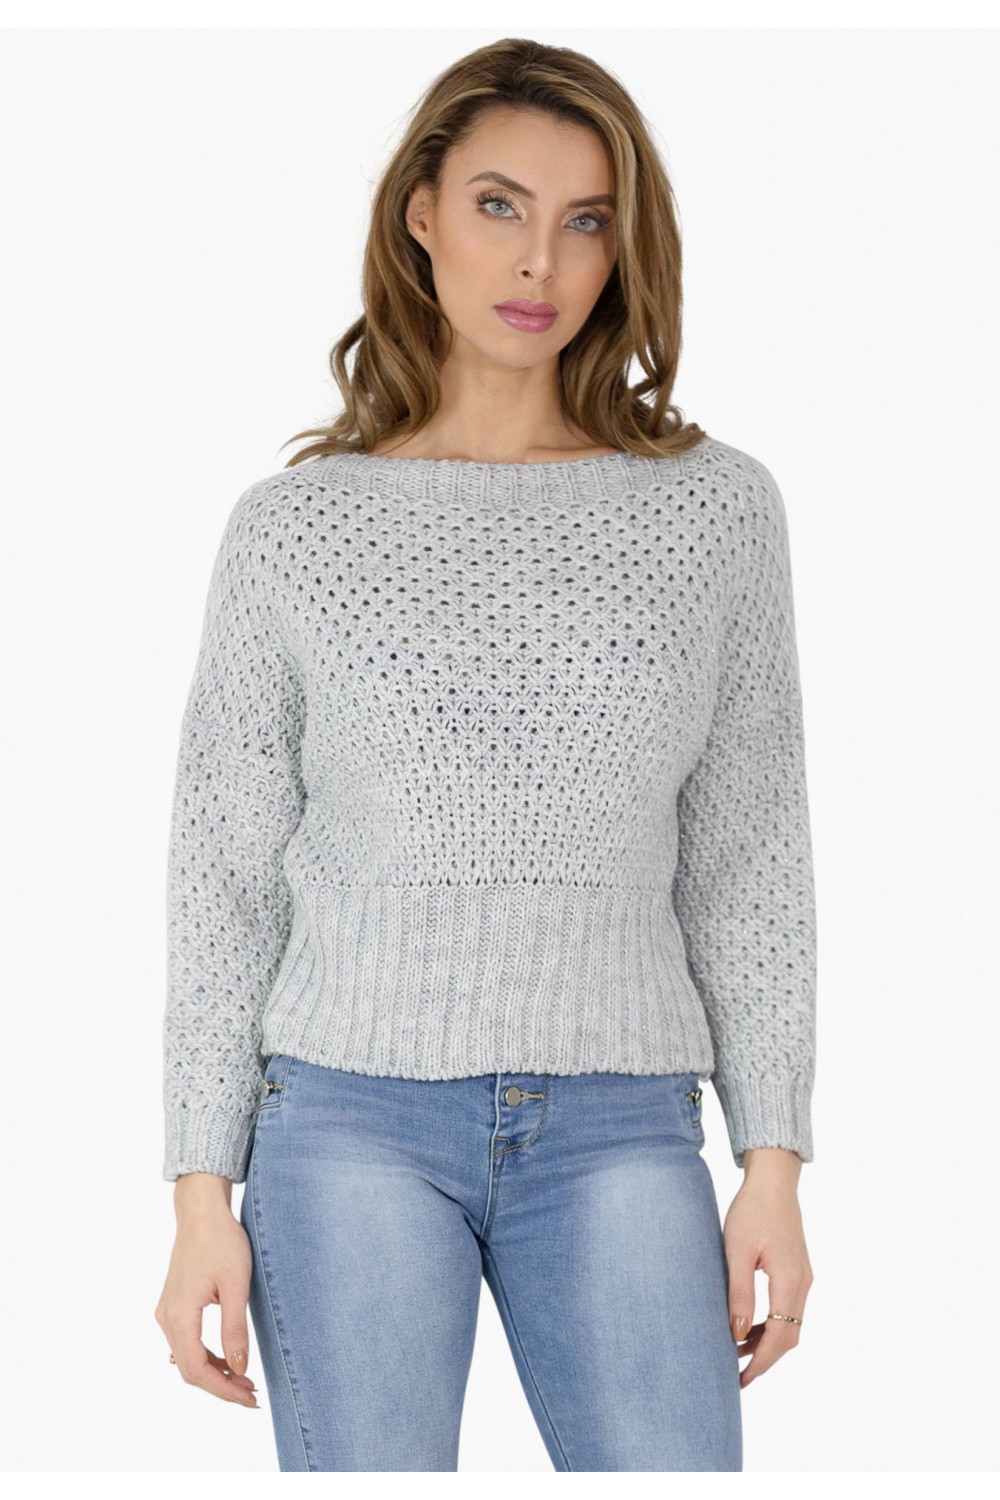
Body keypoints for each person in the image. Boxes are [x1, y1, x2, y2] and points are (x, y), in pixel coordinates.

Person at [154, 37, 816, 1473]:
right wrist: (200, 1194)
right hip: (344, 1123)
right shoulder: (295, 530)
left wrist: (772, 1163)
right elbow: (224, 879)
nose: (540, 262)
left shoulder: (715, 512)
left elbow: (750, 857)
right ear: (422, 215)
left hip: (623, 1123)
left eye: (586, 221)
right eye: (500, 205)